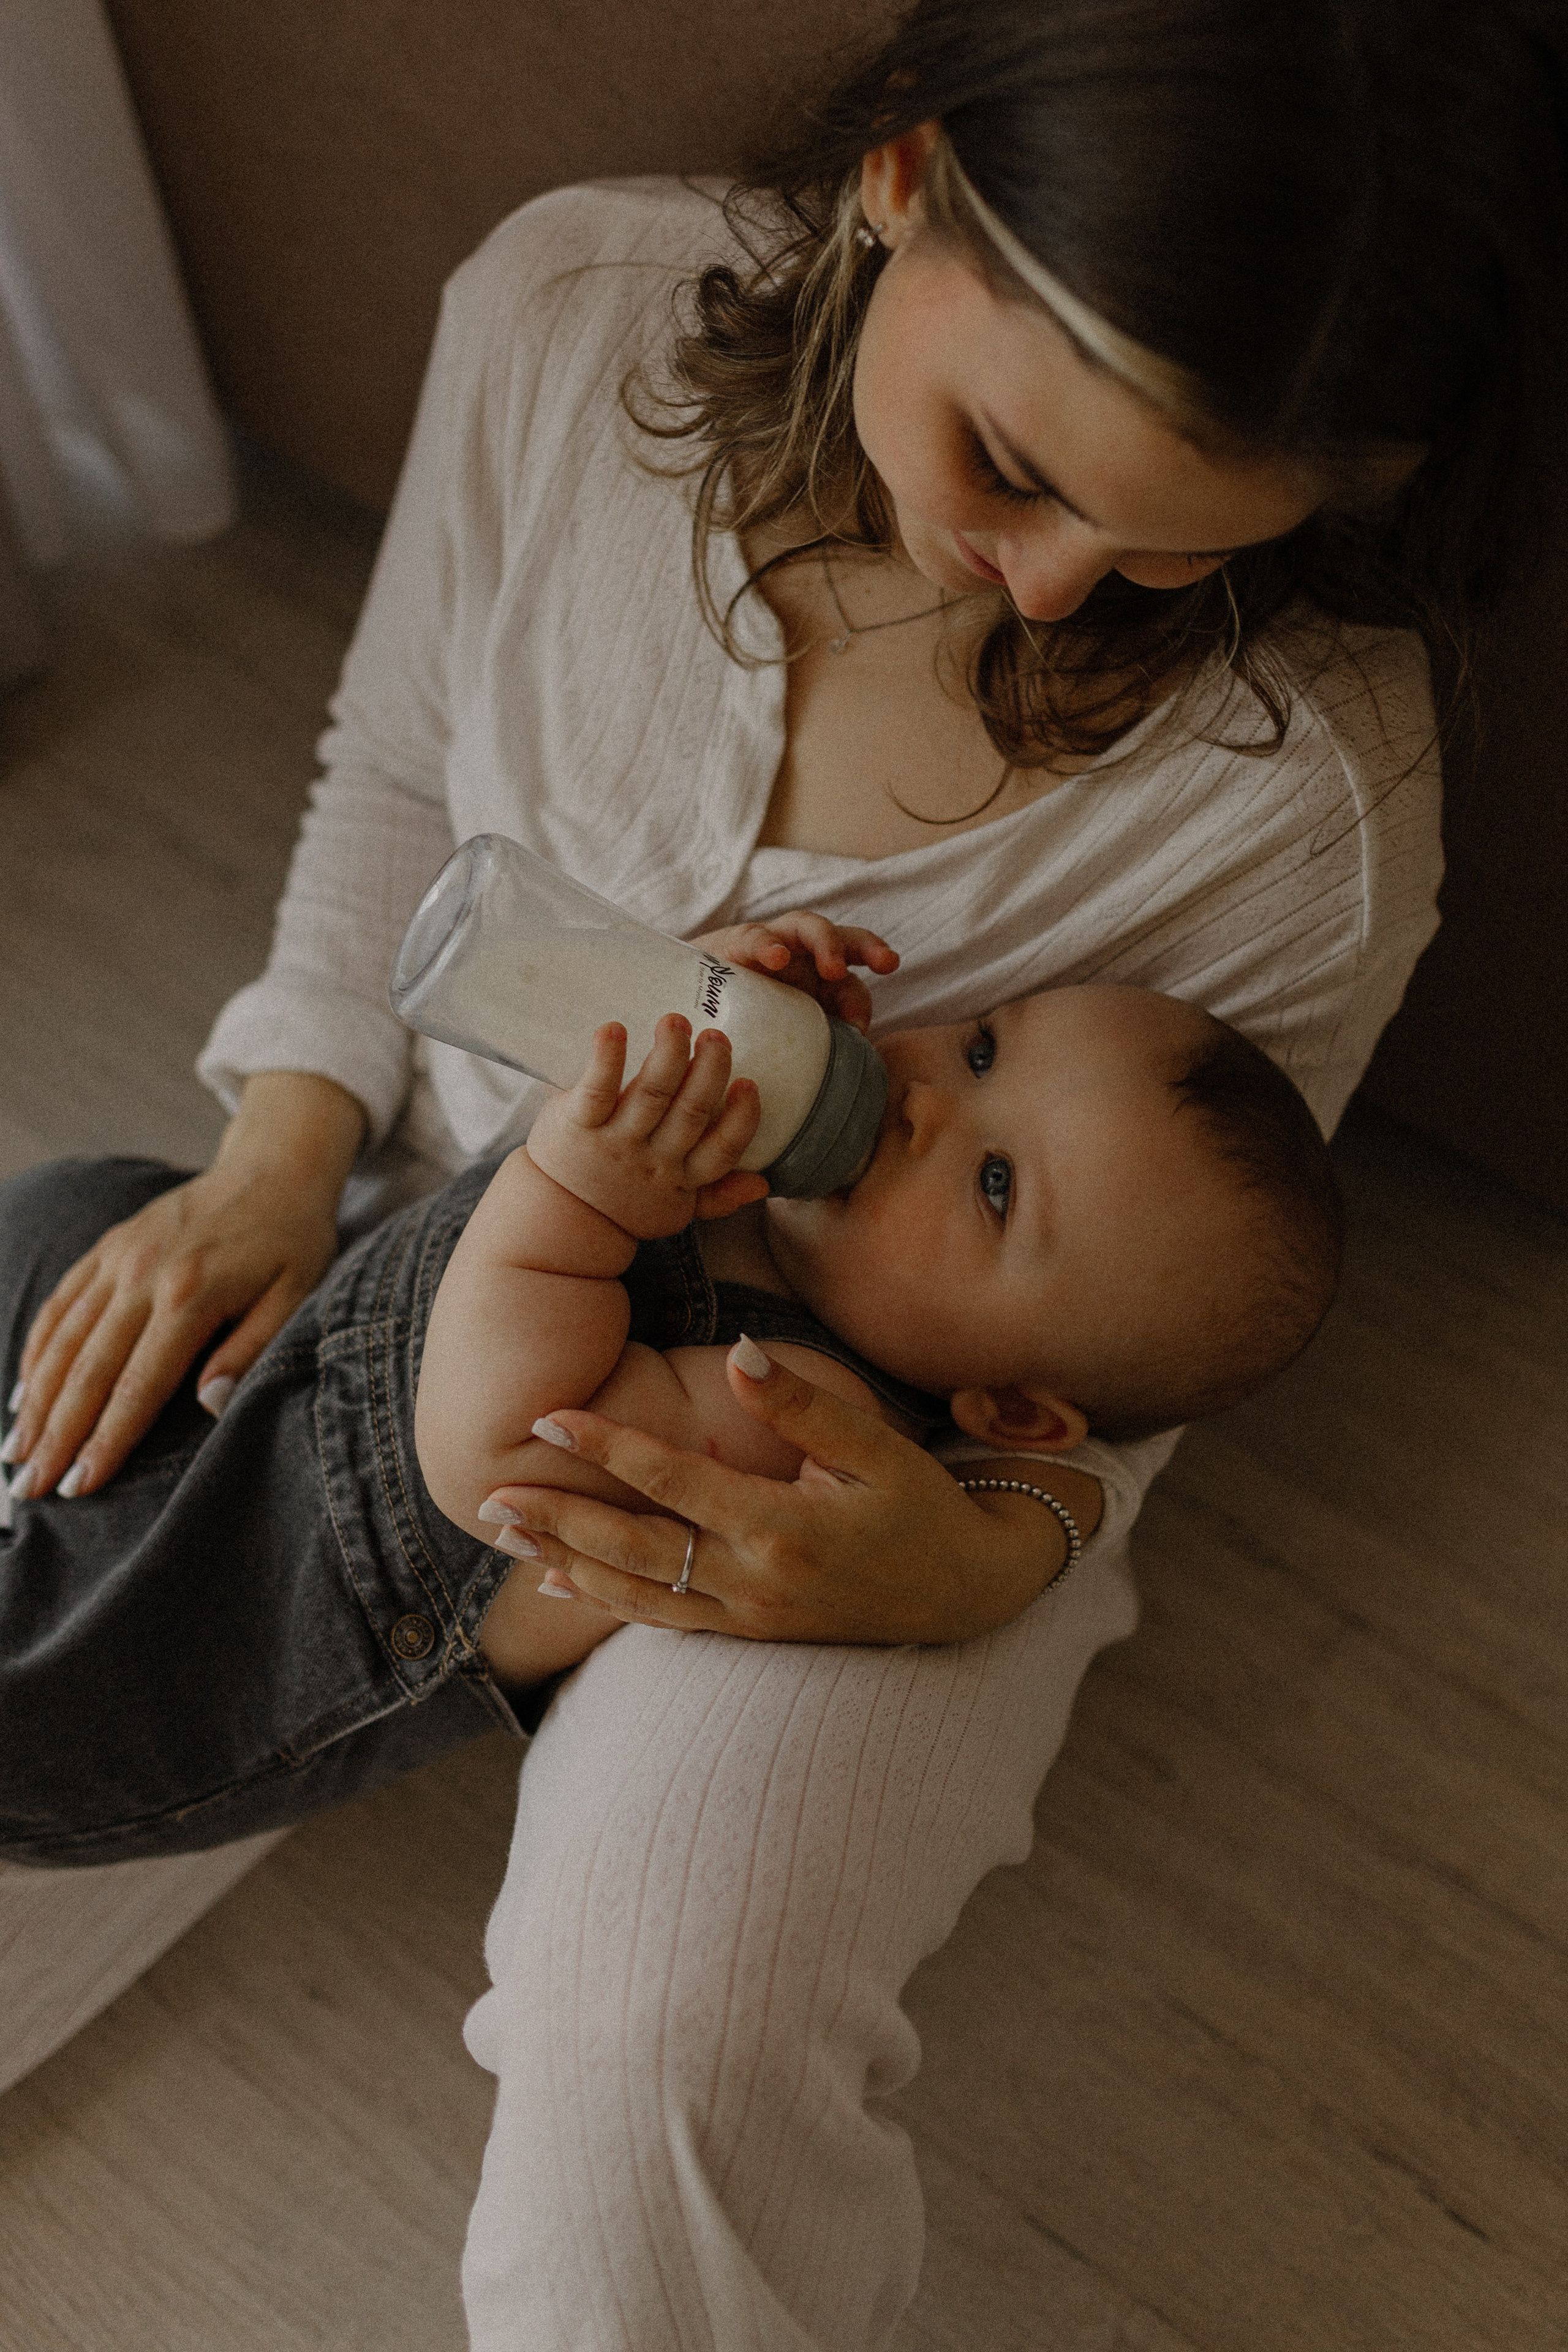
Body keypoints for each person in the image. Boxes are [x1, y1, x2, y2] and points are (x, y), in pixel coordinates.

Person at [1, 1, 1562, 2341]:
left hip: (873, 1458)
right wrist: (274, 1154)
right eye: (1020, 470)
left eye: (1177, 553)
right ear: (905, 180)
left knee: (662, 2041)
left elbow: (1133, 1345)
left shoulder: (1307, 791)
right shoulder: (565, 313)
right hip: (410, 1251)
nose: (1053, 596)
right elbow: (402, 774)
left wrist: (973, 1556)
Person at [416, 935, 1343, 1689]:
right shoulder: (780, 1196)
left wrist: (576, 1193)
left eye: (995, 1185)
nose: (926, 1102)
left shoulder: (803, 1411)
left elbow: (504, 1451)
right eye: (982, 1050)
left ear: (1011, 1408)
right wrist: (696, 1024)